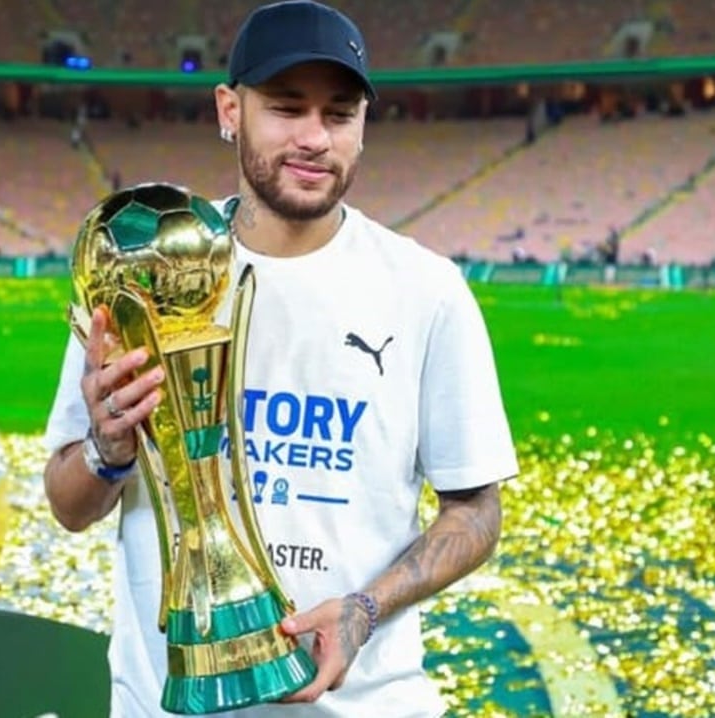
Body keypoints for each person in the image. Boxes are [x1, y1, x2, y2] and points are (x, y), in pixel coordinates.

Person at [41, 2, 518, 717]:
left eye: (339, 114)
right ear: (230, 110)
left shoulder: (426, 291)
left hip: (362, 706)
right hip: (162, 702)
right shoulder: (144, 270)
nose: (314, 138)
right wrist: (109, 449)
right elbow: (68, 503)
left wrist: (364, 609)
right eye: (287, 108)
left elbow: (476, 510)